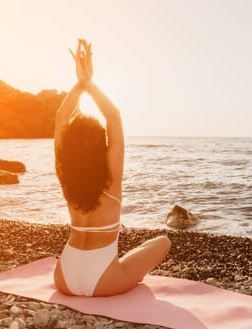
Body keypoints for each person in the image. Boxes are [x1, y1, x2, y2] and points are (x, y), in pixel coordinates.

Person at [53, 39, 171, 296]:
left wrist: (79, 83)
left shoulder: (66, 177)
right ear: (102, 145)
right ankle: (122, 272)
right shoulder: (111, 181)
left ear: (69, 151)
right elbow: (113, 116)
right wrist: (90, 83)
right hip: (103, 281)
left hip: (64, 277)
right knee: (163, 242)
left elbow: (62, 117)